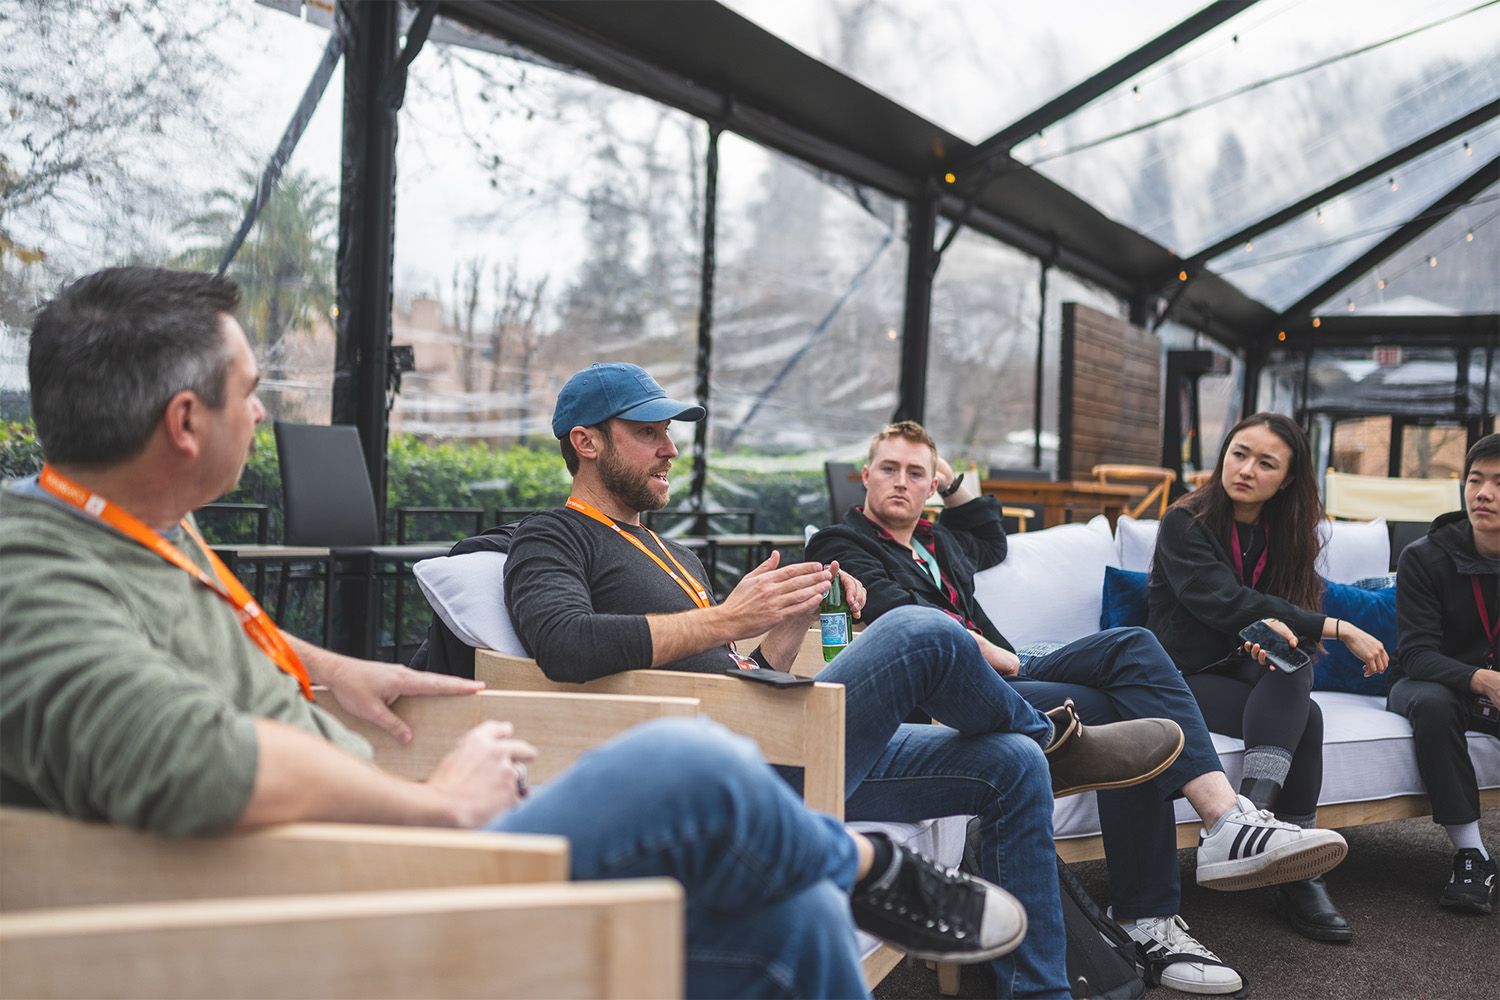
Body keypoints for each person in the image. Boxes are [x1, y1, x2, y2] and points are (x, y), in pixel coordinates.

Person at [0, 267, 1029, 999]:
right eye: (252, 394)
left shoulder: (141, 523)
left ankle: (879, 847)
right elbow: (179, 750)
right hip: (352, 889)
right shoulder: (29, 569)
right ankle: (863, 862)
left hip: (386, 844)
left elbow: (190, 630)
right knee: (694, 758)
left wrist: (316, 664)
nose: (264, 417)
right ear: (186, 424)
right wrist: (432, 805)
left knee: (793, 925)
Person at [503, 362, 1190, 1000]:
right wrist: (724, 619)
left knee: (1007, 763)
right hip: (724, 769)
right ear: (586, 442)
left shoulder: (671, 548)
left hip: (771, 728)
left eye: (669, 433)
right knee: (919, 630)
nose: (671, 449)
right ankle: (1053, 742)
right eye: (647, 433)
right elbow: (563, 644)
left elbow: (749, 674)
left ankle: (1042, 990)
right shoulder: (553, 537)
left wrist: (786, 621)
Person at [807, 421, 1351, 995]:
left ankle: (1221, 823)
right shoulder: (842, 546)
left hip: (1012, 666)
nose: (901, 482)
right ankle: (1150, 916)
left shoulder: (936, 542)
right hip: (952, 689)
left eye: (917, 473)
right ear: (864, 476)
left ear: (932, 487)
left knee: (1135, 648)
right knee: (1123, 708)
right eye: (888, 470)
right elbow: (900, 620)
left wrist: (955, 483)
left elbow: (989, 533)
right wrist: (998, 654)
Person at [1148, 412, 1389, 944]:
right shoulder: (1184, 523)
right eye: (1239, 453)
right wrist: (1338, 627)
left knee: (1296, 678)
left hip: (1239, 674)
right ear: (1223, 454)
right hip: (1176, 678)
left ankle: (1263, 835)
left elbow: (1279, 624)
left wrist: (1275, 640)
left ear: (1286, 479)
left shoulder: (1286, 537)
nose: (1247, 469)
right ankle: (1282, 856)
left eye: (1266, 463)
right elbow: (1225, 603)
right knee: (1307, 712)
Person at [1388, 432, 1500, 914]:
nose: (1484, 493)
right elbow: (1416, 654)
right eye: (1475, 480)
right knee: (1432, 702)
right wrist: (1483, 680)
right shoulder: (1424, 556)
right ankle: (1471, 854)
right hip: (1435, 684)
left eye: (1499, 483)